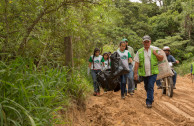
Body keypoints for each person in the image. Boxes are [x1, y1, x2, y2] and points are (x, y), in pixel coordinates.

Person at [134, 35, 163, 108]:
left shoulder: (155, 49)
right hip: (144, 73)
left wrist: (156, 54)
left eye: (148, 42)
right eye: (145, 42)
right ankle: (151, 97)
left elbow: (161, 59)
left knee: (150, 86)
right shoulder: (139, 52)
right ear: (143, 42)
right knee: (146, 86)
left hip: (153, 72)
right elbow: (137, 63)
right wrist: (135, 73)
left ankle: (149, 102)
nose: (146, 43)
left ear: (150, 42)